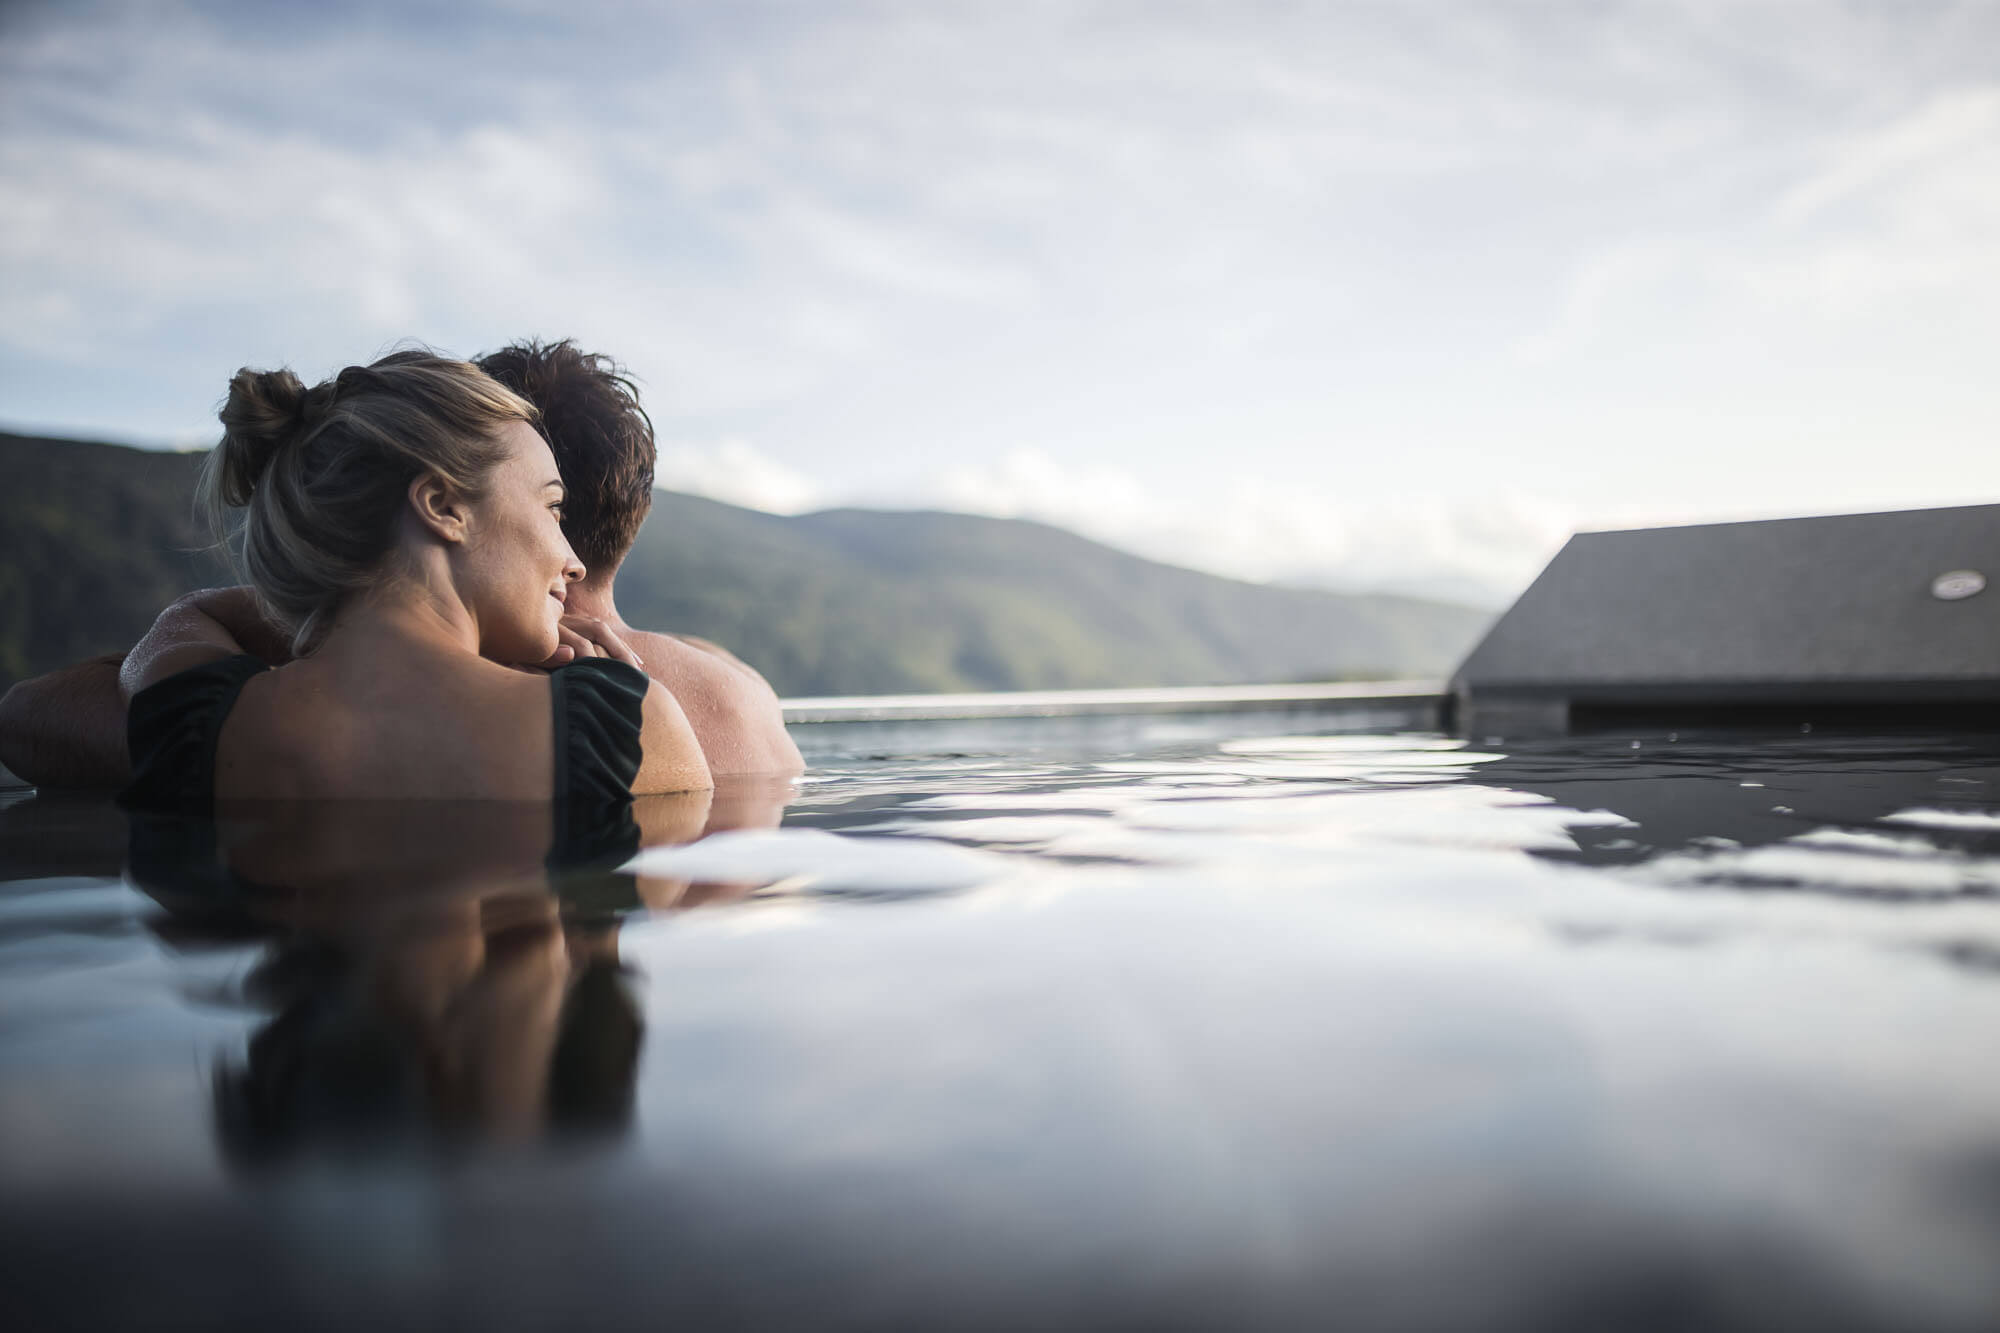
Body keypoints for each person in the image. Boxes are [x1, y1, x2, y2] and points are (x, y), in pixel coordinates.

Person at [0, 339, 801, 788]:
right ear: (442, 505)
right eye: (547, 509)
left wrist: (326, 611)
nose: (566, 558)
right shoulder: (633, 720)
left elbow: (33, 713)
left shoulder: (203, 722)